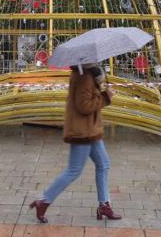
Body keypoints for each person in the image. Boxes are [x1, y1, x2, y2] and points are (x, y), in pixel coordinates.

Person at [29, 63, 121, 223]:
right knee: (74, 170)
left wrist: (100, 88)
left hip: (90, 130)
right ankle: (43, 201)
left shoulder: (88, 74)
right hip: (82, 132)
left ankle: (104, 205)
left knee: (104, 164)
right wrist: (106, 96)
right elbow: (83, 106)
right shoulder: (83, 76)